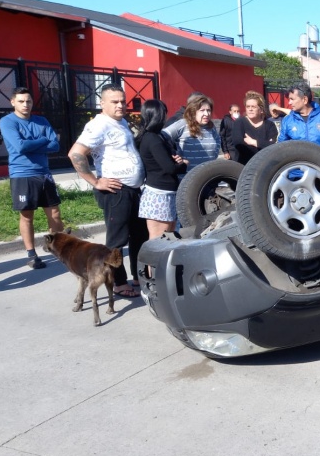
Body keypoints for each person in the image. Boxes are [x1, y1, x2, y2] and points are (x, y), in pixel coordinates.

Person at [68, 84, 148, 297]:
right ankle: (119, 283)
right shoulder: (98, 125)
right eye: (115, 101)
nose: (120, 105)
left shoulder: (121, 122)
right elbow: (76, 153)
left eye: (123, 101)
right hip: (116, 191)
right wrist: (95, 182)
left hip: (132, 189)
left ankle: (139, 277)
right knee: (116, 240)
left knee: (139, 235)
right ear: (102, 103)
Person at [0, 87, 65, 269]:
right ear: (13, 102)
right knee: (27, 215)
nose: (25, 104)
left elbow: (56, 146)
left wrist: (33, 144)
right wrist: (43, 140)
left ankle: (57, 247)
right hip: (22, 174)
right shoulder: (7, 122)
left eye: (28, 101)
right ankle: (32, 254)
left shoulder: (41, 121)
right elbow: (20, 147)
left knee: (55, 213)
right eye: (21, 101)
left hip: (44, 173)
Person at [136, 100, 188, 238]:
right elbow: (169, 168)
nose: (166, 117)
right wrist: (182, 165)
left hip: (166, 192)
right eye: (164, 113)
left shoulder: (160, 136)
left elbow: (167, 160)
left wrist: (176, 161)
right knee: (159, 239)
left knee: (169, 236)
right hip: (159, 195)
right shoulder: (152, 139)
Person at [277, 84, 320, 163]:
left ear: (304, 99)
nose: (289, 102)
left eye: (292, 99)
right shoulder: (287, 120)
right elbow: (280, 148)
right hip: (296, 173)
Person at [163, 93, 221, 173]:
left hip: (207, 177)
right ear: (193, 112)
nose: (206, 114)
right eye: (202, 110)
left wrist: (214, 154)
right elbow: (161, 137)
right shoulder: (182, 124)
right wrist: (173, 157)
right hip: (187, 179)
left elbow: (218, 141)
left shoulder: (211, 127)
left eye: (208, 110)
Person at [231, 91, 278, 165]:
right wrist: (263, 145)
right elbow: (238, 143)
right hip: (243, 165)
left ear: (261, 110)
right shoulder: (239, 122)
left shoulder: (270, 125)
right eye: (248, 106)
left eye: (253, 107)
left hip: (264, 166)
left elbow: (273, 147)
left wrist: (254, 142)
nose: (250, 109)